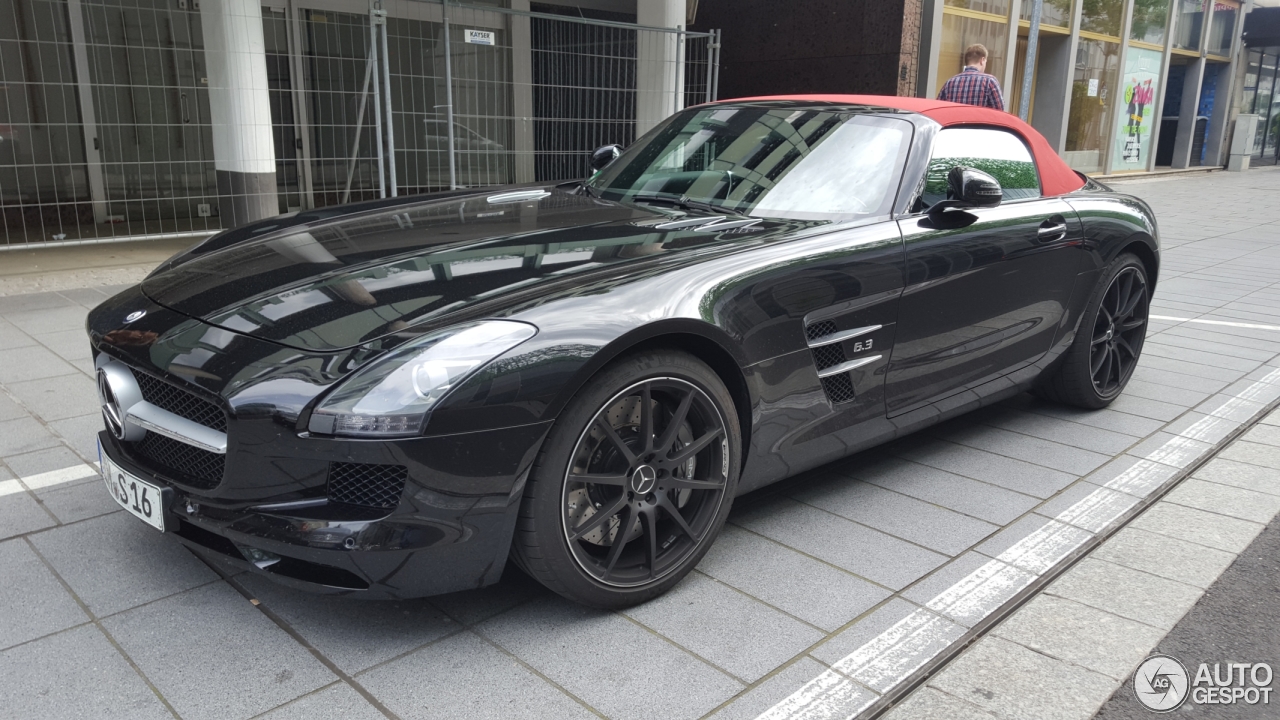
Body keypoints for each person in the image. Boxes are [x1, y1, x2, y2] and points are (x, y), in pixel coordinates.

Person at [937, 44, 1005, 111]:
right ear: (982, 60)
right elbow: (1000, 110)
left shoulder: (950, 83)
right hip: (978, 121)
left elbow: (938, 108)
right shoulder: (990, 81)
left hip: (956, 121)